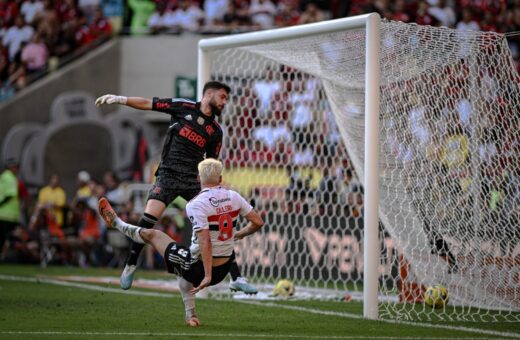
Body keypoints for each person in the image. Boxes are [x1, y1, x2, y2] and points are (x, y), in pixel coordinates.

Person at [95, 81, 259, 294]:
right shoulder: (184, 107)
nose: (224, 102)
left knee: (217, 222)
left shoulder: (216, 131)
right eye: (222, 97)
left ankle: (237, 277)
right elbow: (148, 103)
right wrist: (120, 99)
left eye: (226, 99)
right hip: (168, 175)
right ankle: (130, 264)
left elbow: (210, 164)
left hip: (193, 180)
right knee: (148, 221)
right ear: (209, 93)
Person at [98, 158, 264, 326]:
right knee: (180, 258)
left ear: (198, 178)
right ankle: (191, 316)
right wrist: (239, 234)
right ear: (220, 179)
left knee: (152, 235)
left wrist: (207, 275)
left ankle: (117, 224)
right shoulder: (233, 196)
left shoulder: (196, 204)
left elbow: (205, 240)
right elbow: (258, 222)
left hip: (201, 271)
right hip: (223, 269)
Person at [0, 159, 21, 261]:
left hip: (2, 214)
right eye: (15, 167)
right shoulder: (11, 178)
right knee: (8, 238)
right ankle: (3, 257)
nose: (16, 169)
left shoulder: (3, 177)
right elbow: (10, 194)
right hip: (9, 215)